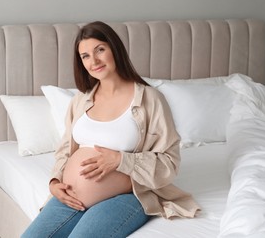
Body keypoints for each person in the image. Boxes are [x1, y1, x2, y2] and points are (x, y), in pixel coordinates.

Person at [21, 21, 200, 238]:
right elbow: (65, 151)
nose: (93, 60)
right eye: (85, 56)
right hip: (70, 196)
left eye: (100, 50)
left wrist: (120, 160)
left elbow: (169, 161)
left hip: (127, 196)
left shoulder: (149, 99)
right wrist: (54, 182)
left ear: (114, 49)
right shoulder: (80, 101)